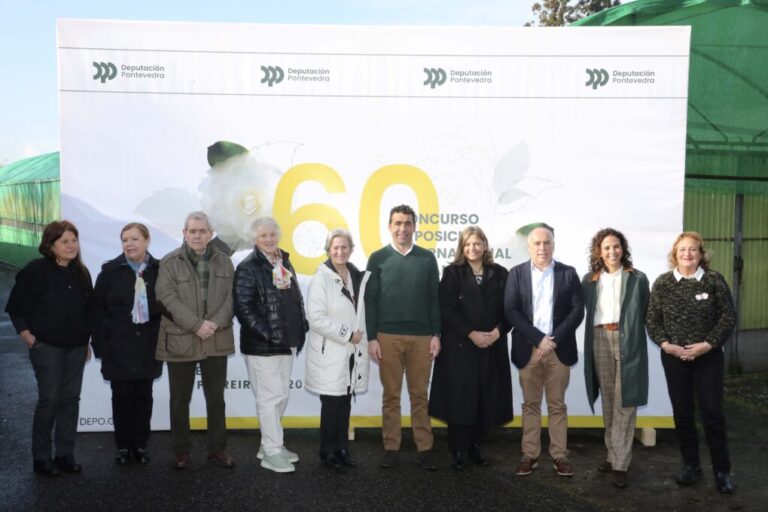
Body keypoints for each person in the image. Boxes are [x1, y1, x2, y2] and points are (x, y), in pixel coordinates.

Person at [646, 231, 737, 494]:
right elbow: (652, 320)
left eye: (693, 250)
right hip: (674, 358)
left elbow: (728, 317)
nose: (687, 254)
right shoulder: (662, 283)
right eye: (682, 250)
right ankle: (691, 466)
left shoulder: (713, 281)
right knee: (683, 413)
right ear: (675, 254)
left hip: (708, 358)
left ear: (701, 254)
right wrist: (667, 345)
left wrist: (706, 345)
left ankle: (722, 471)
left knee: (712, 414)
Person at [5, 220, 93, 476]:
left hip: (76, 348)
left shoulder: (82, 273)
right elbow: (16, 306)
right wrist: (27, 336)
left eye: (74, 240)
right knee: (50, 400)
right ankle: (41, 458)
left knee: (70, 401)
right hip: (47, 348)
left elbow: (88, 312)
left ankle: (65, 454)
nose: (71, 246)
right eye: (64, 241)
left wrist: (87, 342)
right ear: (50, 245)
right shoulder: (35, 270)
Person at [155, 211, 235, 470]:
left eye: (202, 231)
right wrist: (197, 325)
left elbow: (232, 298)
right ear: (184, 233)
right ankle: (181, 451)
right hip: (182, 339)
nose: (197, 235)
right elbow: (166, 298)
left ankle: (218, 449)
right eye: (192, 231)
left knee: (216, 399)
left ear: (210, 234)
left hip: (216, 337)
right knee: (180, 400)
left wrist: (215, 324)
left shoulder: (225, 262)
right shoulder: (168, 262)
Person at [428, 226, 513, 470]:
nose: (472, 248)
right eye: (467, 244)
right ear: (461, 248)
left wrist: (497, 332)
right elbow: (447, 309)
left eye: (477, 243)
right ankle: (457, 449)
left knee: (484, 397)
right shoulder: (453, 273)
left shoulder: (500, 273)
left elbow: (510, 308)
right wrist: (472, 333)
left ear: (485, 245)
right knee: (460, 398)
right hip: (461, 346)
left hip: (492, 345)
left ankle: (476, 445)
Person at [365, 204, 441, 470]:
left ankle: (425, 448)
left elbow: (435, 299)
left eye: (407, 223)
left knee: (420, 394)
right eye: (397, 223)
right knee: (391, 396)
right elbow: (370, 299)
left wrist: (436, 334)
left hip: (422, 338)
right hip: (387, 336)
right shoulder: (377, 258)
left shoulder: (427, 258)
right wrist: (372, 337)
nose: (402, 228)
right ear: (389, 226)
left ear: (414, 226)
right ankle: (391, 448)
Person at [504, 224, 584, 477]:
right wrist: (538, 339)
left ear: (553, 245)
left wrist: (552, 340)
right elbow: (511, 310)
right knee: (530, 405)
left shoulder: (568, 273)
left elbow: (577, 311)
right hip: (528, 350)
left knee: (557, 405)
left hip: (558, 351)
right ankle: (530, 455)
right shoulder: (515, 274)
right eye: (537, 243)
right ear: (529, 247)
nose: (542, 247)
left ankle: (559, 456)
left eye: (546, 242)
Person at [233, 217, 307, 473]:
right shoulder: (248, 267)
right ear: (255, 238)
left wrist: (301, 327)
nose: (269, 239)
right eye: (263, 235)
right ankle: (272, 453)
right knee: (269, 398)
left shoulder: (284, 261)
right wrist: (269, 334)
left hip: (287, 342)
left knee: (281, 396)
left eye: (272, 234)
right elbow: (244, 309)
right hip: (263, 346)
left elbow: (294, 298)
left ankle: (270, 444)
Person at [582, 228, 649, 488]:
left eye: (616, 246)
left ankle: (621, 464)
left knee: (626, 400)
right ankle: (612, 456)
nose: (612, 251)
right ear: (599, 251)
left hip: (628, 340)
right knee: (609, 400)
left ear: (623, 249)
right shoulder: (589, 279)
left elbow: (645, 312)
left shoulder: (638, 279)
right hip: (599, 339)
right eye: (607, 247)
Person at [92, 223, 162, 465]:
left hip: (147, 347)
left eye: (134, 239)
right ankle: (123, 446)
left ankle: (140, 445)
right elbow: (97, 311)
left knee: (144, 397)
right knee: (121, 398)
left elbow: (165, 308)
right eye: (125, 240)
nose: (129, 244)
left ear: (147, 241)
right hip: (118, 347)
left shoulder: (159, 270)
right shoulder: (109, 272)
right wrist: (101, 346)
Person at [305, 228, 370, 469]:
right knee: (331, 405)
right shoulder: (321, 277)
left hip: (351, 353)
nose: (340, 252)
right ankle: (328, 452)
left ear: (351, 249)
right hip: (330, 353)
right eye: (335, 248)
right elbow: (316, 318)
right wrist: (346, 335)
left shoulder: (355, 275)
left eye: (344, 247)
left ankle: (342, 449)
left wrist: (356, 339)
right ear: (328, 251)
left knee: (344, 403)